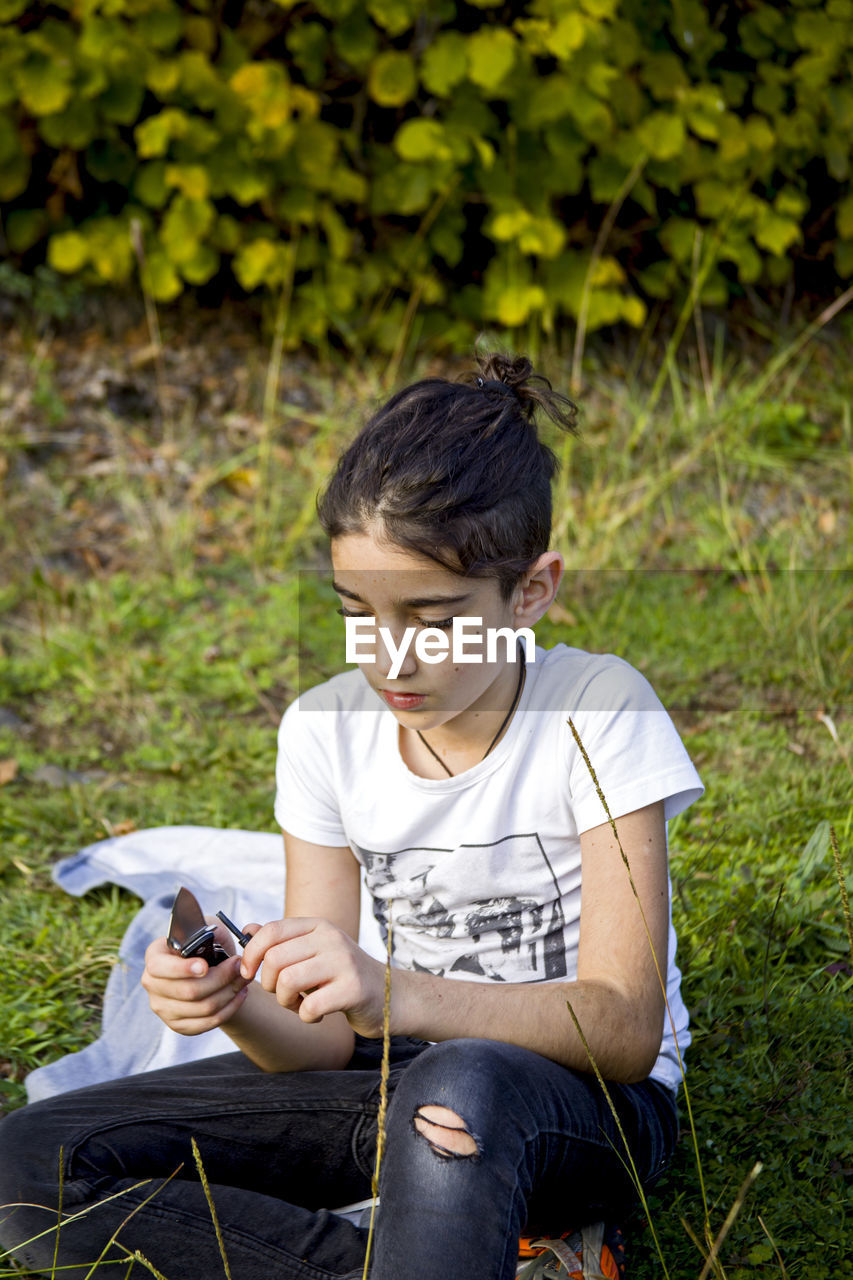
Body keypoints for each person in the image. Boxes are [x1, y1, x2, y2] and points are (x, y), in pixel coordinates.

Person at [0, 352, 703, 1279]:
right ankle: (442, 1256)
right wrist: (237, 1004)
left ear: (529, 591)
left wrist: (395, 993)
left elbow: (622, 1029)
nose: (392, 662)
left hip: (579, 1108)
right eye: (357, 613)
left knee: (457, 1086)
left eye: (435, 617)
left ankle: (468, 1238)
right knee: (23, 1171)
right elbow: (323, 1042)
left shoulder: (597, 708)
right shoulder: (324, 730)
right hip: (389, 1081)